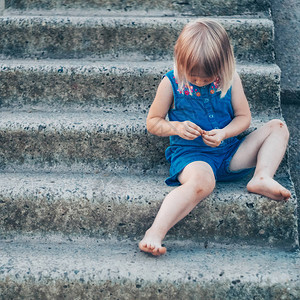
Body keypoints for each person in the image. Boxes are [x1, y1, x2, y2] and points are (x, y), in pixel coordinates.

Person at [139, 18, 291, 256]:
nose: (199, 82)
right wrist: (176, 127)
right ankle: (155, 232)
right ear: (180, 61)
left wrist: (225, 133)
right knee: (203, 183)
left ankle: (261, 177)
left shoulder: (230, 80)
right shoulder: (171, 82)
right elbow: (153, 122)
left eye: (207, 78)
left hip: (229, 151)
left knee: (277, 127)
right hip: (193, 157)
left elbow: (243, 118)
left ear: (223, 65)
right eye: (194, 77)